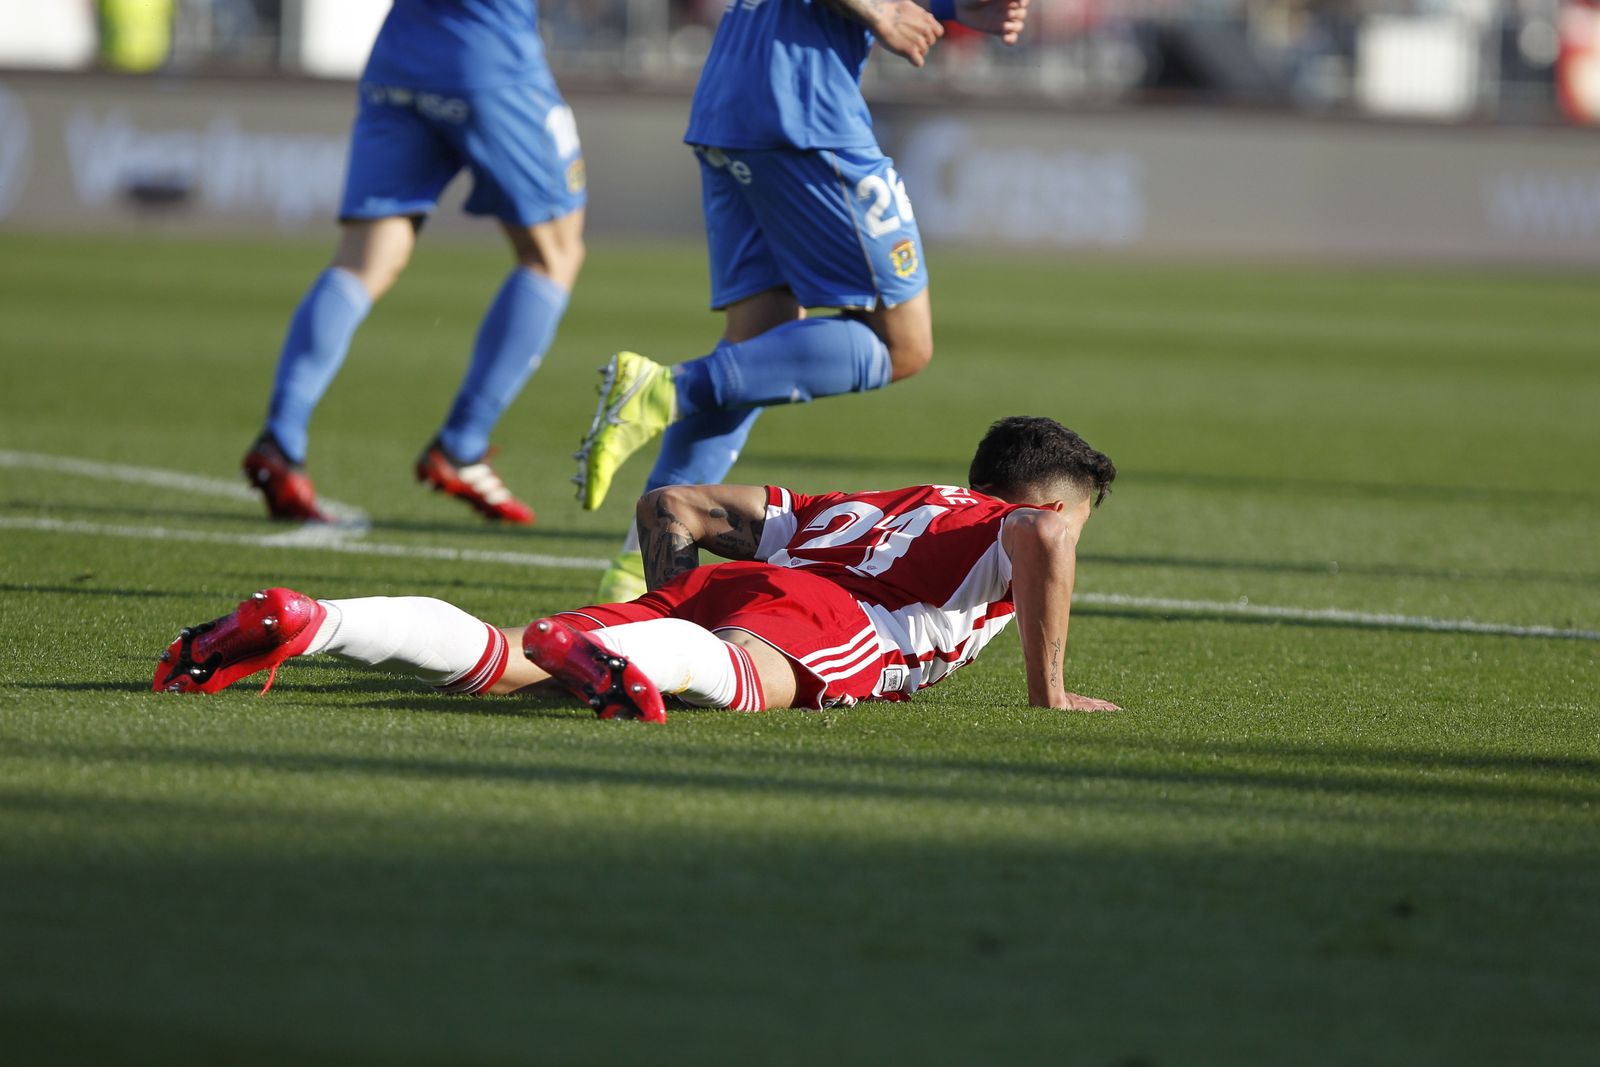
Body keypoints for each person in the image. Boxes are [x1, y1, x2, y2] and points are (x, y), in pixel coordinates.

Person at [154, 416, 1120, 718]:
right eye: (1080, 515)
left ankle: (307, 618)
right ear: (1047, 498)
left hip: (734, 585)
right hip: (836, 623)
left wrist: (670, 598)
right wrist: (1053, 693)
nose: (1075, 535)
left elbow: (678, 504)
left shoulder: (883, 505)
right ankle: (628, 648)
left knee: (508, 655)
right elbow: (1044, 543)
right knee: (735, 682)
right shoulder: (1024, 526)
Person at [573, 0, 1031, 599]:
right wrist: (885, 12)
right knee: (903, 344)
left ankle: (634, 572)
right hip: (801, 105)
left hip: (733, 102)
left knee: (755, 354)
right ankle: (665, 390)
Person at [244, 0, 586, 525]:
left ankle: (281, 440)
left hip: (398, 58)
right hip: (487, 55)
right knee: (554, 253)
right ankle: (462, 446)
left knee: (363, 260)